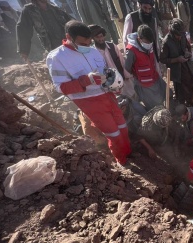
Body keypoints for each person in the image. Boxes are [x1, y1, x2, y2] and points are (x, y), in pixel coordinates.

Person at [46, 20, 131, 165]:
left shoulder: (93, 51)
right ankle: (121, 160)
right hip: (90, 103)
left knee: (123, 127)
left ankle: (128, 153)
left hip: (108, 96)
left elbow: (104, 71)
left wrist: (113, 81)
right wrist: (85, 80)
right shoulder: (57, 57)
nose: (87, 46)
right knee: (113, 134)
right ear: (68, 36)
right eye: (82, 43)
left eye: (89, 42)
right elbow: (60, 87)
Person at [125, 24, 166, 111]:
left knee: (165, 95)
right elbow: (128, 68)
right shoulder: (131, 51)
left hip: (154, 78)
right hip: (143, 84)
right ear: (139, 39)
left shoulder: (149, 45)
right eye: (147, 42)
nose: (149, 44)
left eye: (150, 42)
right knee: (153, 106)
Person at [160, 19, 193, 105]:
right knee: (181, 93)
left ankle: (190, 101)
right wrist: (177, 59)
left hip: (187, 66)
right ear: (172, 32)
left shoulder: (182, 36)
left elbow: (188, 46)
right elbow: (163, 59)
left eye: (181, 35)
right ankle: (183, 109)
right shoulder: (166, 42)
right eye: (177, 35)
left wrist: (188, 52)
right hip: (177, 72)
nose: (179, 37)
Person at [89, 24, 135, 98]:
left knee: (130, 96)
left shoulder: (112, 46)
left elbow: (122, 61)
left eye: (101, 36)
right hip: (108, 83)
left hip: (121, 78)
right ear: (93, 38)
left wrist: (127, 75)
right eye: (97, 37)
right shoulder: (93, 52)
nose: (100, 39)